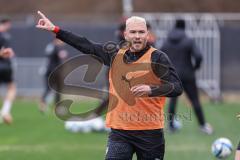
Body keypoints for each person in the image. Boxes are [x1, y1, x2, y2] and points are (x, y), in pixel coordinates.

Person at [36, 11, 183, 160]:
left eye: (141, 32)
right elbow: (86, 45)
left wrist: (151, 89)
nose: (137, 36)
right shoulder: (114, 54)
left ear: (147, 34)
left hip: (150, 134)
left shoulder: (158, 57)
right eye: (133, 32)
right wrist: (56, 30)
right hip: (120, 132)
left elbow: (177, 87)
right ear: (125, 34)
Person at [161, 19, 213, 134]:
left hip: (173, 75)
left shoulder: (166, 42)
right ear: (184, 28)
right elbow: (198, 56)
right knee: (194, 100)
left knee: (173, 101)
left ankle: (170, 126)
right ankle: (203, 125)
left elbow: (160, 57)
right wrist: (195, 67)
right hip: (188, 74)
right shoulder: (188, 41)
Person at [39, 38, 68, 112]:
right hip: (55, 71)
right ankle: (57, 107)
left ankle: (42, 104)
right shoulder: (57, 47)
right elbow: (62, 55)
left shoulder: (49, 46)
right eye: (62, 40)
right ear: (58, 40)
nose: (62, 42)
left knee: (48, 88)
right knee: (58, 89)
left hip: (47, 70)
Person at [0, 17, 16, 124]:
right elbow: (8, 52)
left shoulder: (5, 36)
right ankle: (5, 111)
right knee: (11, 88)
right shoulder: (5, 36)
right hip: (6, 66)